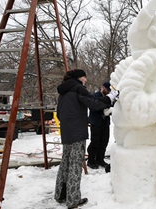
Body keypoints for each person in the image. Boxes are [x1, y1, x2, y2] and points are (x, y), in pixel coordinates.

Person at [54, 69, 118, 209]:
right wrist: (111, 97)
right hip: (77, 134)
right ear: (78, 78)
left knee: (65, 163)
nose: (86, 80)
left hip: (67, 132)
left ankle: (60, 194)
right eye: (84, 77)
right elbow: (94, 103)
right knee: (76, 166)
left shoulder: (64, 92)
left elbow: (58, 114)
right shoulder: (78, 89)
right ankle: (73, 200)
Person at [87, 81, 113, 170]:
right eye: (107, 90)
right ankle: (91, 160)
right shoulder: (95, 96)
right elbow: (93, 107)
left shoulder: (110, 97)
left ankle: (100, 159)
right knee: (95, 141)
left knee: (104, 141)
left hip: (105, 122)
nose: (109, 92)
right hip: (96, 122)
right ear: (103, 88)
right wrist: (105, 107)